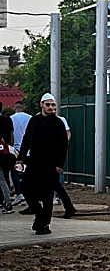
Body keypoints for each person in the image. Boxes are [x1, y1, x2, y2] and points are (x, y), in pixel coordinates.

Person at [17, 93, 68, 235]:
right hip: (34, 162)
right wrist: (21, 158)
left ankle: (44, 224)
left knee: (47, 195)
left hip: (50, 165)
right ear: (42, 105)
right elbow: (27, 139)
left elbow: (63, 145)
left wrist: (59, 164)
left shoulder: (58, 123)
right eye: (48, 104)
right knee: (26, 188)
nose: (51, 107)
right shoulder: (34, 121)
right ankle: (39, 213)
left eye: (53, 105)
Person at [53, 113, 76, 218]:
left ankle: (66, 204)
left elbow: (68, 133)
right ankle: (68, 206)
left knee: (55, 180)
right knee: (54, 182)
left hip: (54, 153)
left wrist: (63, 144)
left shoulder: (60, 120)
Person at [9, 101, 31, 205]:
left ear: (15, 108)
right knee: (29, 172)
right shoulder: (30, 118)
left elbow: (11, 135)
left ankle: (19, 193)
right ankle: (30, 194)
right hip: (30, 150)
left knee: (15, 172)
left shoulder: (11, 118)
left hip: (16, 150)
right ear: (24, 107)